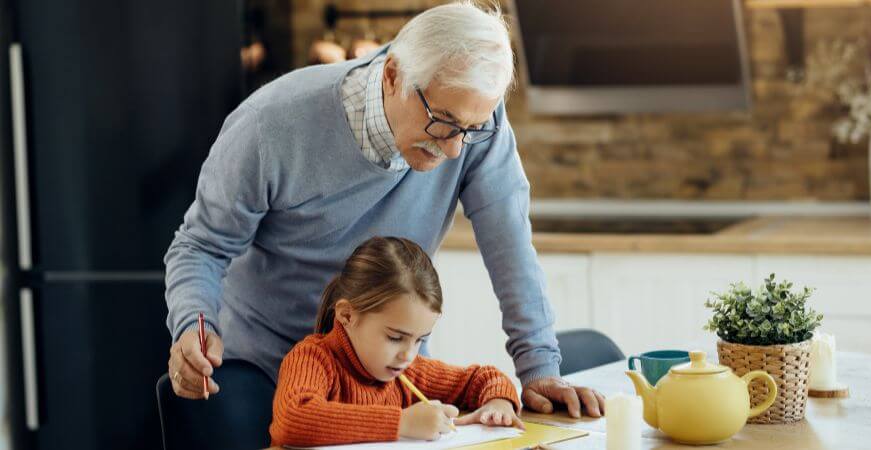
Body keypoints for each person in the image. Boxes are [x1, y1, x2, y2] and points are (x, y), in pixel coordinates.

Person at [165, 1, 605, 418]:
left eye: (471, 129)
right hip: (269, 377)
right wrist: (193, 326)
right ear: (393, 76)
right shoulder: (272, 124)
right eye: (444, 121)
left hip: (390, 380)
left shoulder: (473, 120)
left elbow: (510, 246)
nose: (455, 149)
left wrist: (539, 368)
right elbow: (201, 247)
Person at [269, 236, 523, 447]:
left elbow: (484, 378)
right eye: (395, 337)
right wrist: (402, 422)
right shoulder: (312, 359)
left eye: (419, 340)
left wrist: (498, 404)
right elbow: (292, 420)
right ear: (347, 315)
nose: (408, 355)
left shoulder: (407, 373)